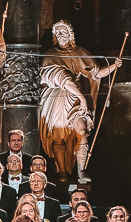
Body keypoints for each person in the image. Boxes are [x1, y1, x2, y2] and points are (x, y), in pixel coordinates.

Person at [39, 19, 121, 182]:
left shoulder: (80, 52)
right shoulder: (50, 55)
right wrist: (82, 98)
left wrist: (113, 67)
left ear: (71, 35)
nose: (61, 35)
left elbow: (96, 73)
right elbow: (59, 78)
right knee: (58, 138)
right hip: (57, 100)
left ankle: (81, 171)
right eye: (58, 33)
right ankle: (62, 172)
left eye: (64, 32)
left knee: (82, 132)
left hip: (75, 100)